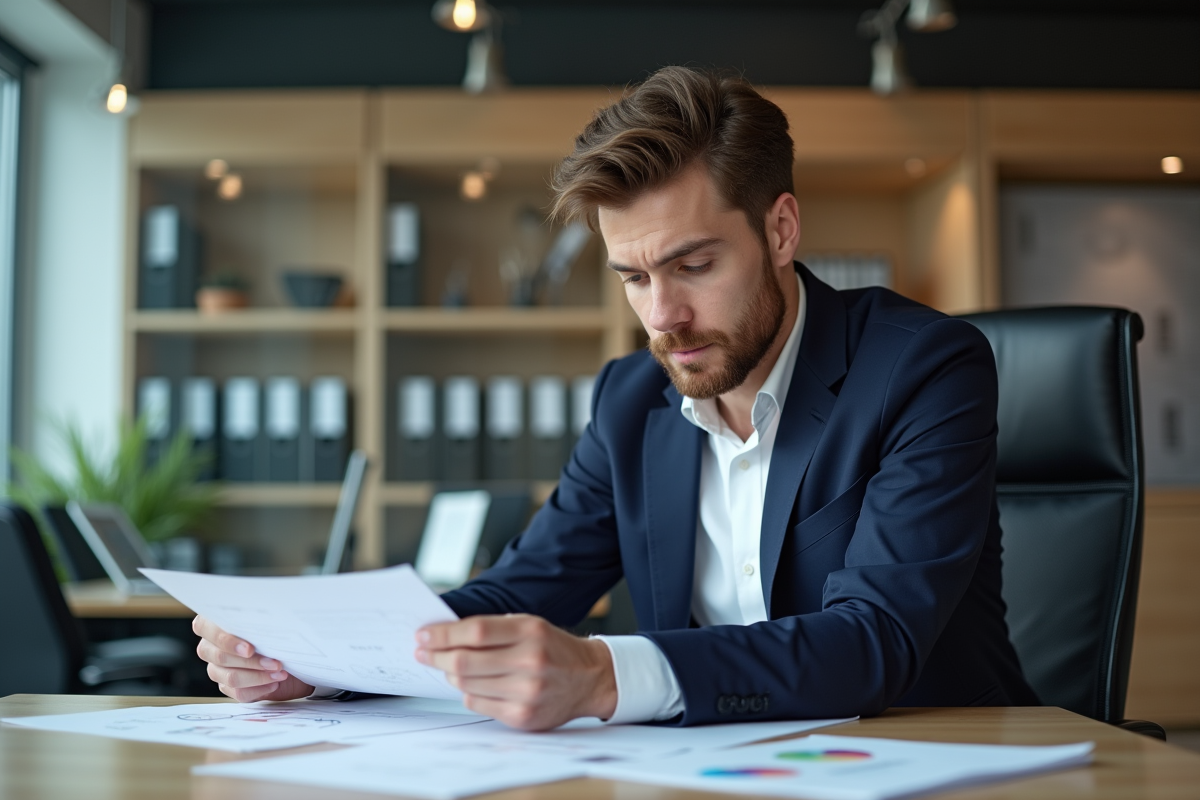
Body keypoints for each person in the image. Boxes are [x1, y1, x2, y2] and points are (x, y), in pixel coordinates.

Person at [194, 66, 1038, 730]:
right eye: (633, 277)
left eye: (695, 265)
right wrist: (324, 660)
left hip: (931, 760)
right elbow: (524, 589)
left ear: (781, 230)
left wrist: (603, 673)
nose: (663, 315)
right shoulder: (631, 398)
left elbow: (873, 640)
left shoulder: (923, 368)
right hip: (712, 767)